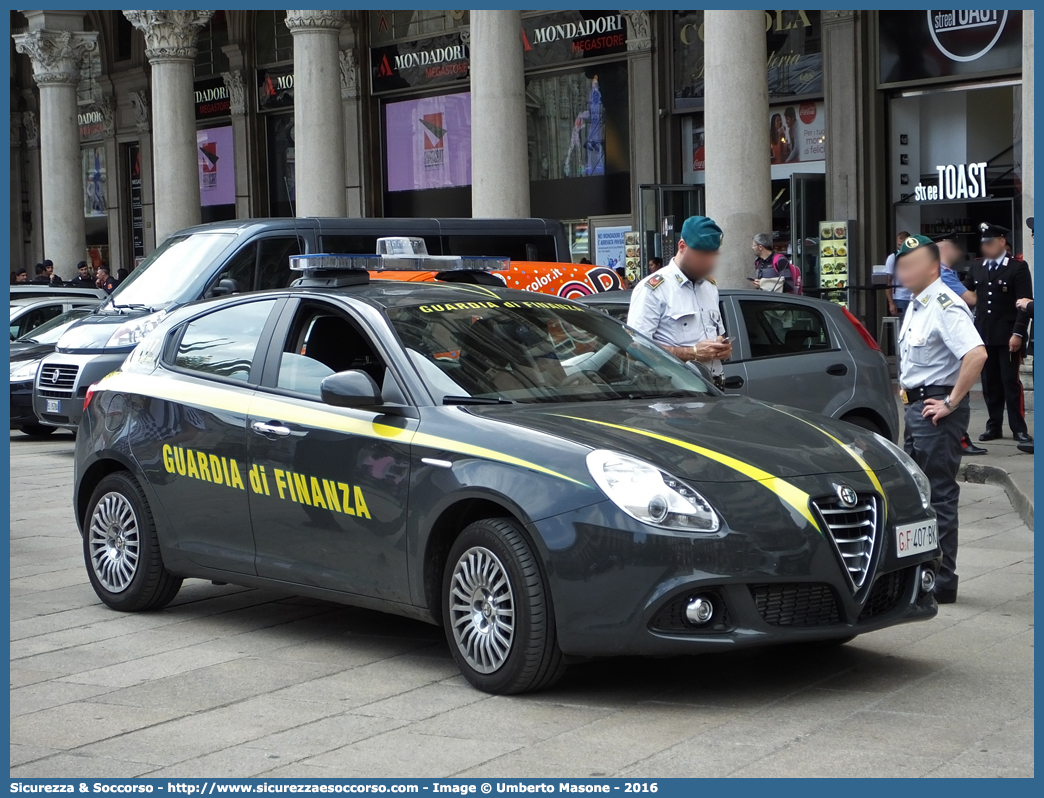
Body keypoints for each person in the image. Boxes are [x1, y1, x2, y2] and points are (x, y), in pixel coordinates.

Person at [895, 234, 988, 604]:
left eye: (913, 263)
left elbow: (976, 355)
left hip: (937, 414)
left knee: (938, 495)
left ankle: (943, 580)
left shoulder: (945, 304)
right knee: (917, 497)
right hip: (917, 409)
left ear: (933, 267)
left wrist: (950, 402)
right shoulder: (917, 305)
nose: (904, 271)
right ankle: (923, 572)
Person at [627, 215, 733, 385]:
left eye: (713, 256)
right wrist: (693, 353)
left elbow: (716, 334)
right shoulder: (653, 289)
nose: (708, 263)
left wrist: (723, 349)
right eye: (702, 255)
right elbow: (635, 349)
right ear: (682, 246)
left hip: (714, 387)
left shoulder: (710, 287)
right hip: (674, 392)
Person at [962, 223, 1033, 444]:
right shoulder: (977, 266)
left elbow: (1024, 303)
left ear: (1002, 242)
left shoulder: (1017, 267)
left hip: (1008, 334)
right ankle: (993, 426)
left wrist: (1018, 333)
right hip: (984, 333)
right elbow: (967, 294)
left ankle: (1018, 428)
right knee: (989, 382)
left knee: (1010, 382)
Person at [935, 237, 987, 456]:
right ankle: (961, 440)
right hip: (951, 345)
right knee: (957, 390)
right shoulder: (944, 273)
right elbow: (971, 299)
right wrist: (987, 285)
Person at [884, 231, 913, 316]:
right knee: (901, 326)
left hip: (915, 296)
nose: (900, 248)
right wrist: (891, 303)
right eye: (898, 245)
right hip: (900, 297)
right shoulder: (892, 258)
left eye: (902, 245)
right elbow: (888, 282)